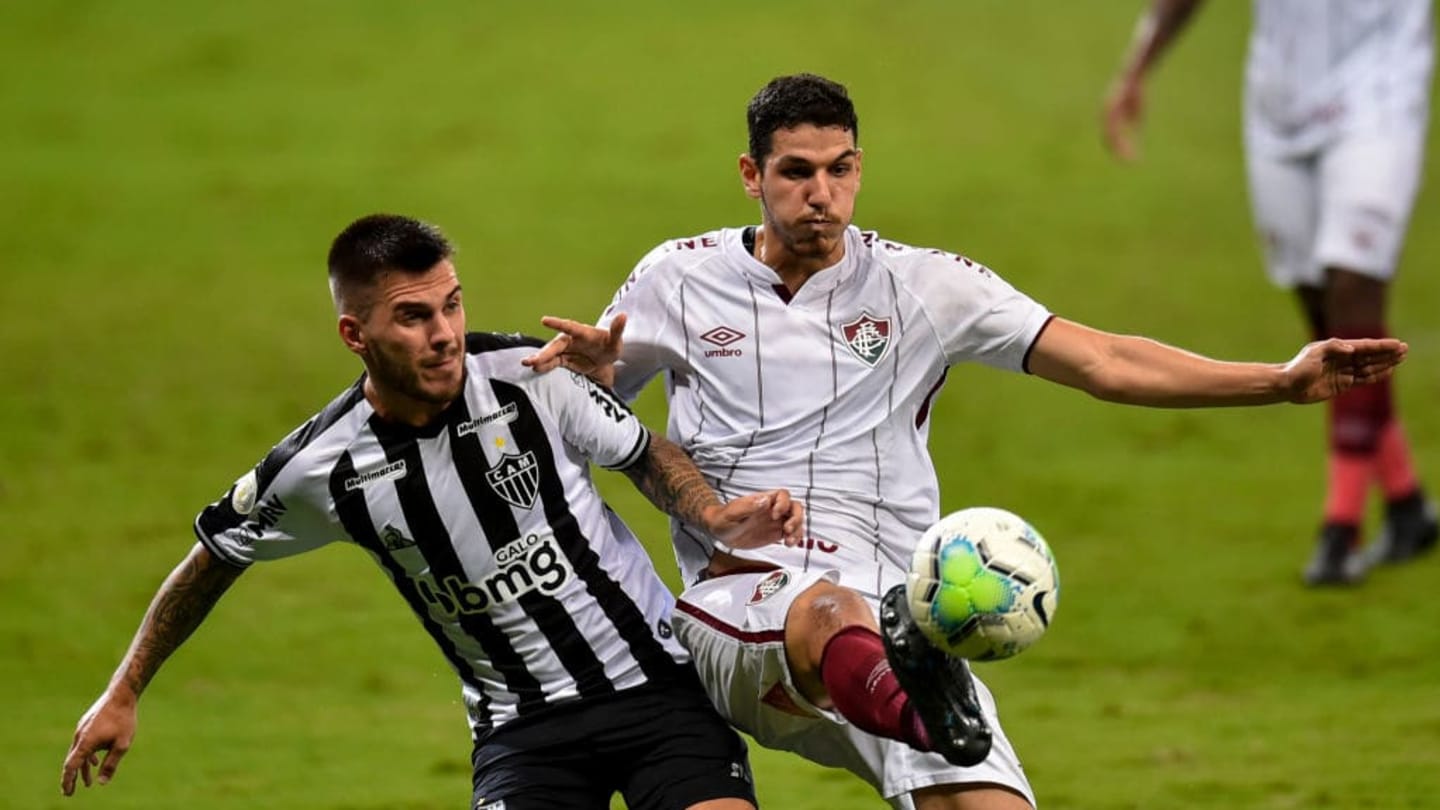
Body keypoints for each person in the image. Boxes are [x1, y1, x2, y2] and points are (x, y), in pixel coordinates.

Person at [520, 73, 1409, 809]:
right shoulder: (678, 278)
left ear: (860, 168)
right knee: (833, 613)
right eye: (796, 172)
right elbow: (601, 432)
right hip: (743, 607)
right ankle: (914, 699)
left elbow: (1102, 360)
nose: (819, 194)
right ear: (751, 175)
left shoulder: (924, 286)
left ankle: (917, 701)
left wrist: (1280, 382)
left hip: (907, 619)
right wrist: (599, 373)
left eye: (838, 170)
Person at [59, 214, 807, 809]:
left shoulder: (528, 378)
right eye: (413, 317)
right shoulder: (321, 466)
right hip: (523, 733)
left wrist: (711, 517)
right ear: (355, 335)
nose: (444, 334)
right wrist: (124, 690)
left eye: (450, 305)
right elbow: (215, 556)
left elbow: (642, 450)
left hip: (655, 690)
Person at [1102, 0, 1437, 585]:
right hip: (1279, 104)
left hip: (1380, 92)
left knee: (1354, 287)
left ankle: (1340, 530)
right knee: (1320, 309)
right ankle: (1406, 503)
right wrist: (1139, 64)